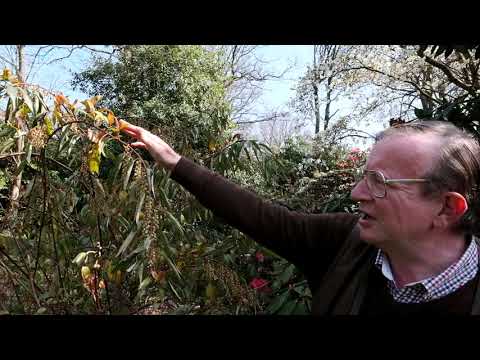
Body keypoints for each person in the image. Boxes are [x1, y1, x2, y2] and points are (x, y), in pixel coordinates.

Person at [120, 119, 480, 315]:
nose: (356, 193)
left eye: (379, 182)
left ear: (447, 207)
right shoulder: (344, 242)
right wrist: (171, 159)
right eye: (363, 176)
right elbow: (261, 216)